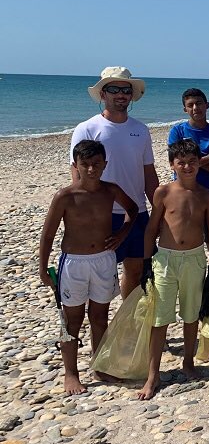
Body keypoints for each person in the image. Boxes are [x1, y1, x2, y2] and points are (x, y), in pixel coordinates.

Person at [40, 140, 139, 394]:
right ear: (76, 166)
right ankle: (71, 374)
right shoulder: (65, 196)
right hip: (74, 263)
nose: (92, 169)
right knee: (71, 320)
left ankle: (100, 364)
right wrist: (43, 268)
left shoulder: (110, 190)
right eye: (86, 165)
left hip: (103, 260)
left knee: (99, 316)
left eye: (97, 164)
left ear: (105, 164)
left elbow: (133, 209)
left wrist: (122, 234)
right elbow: (48, 235)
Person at [139, 139, 209, 400]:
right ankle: (153, 374)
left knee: (191, 314)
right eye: (181, 162)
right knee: (160, 317)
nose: (187, 166)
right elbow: (152, 228)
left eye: (192, 161)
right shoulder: (163, 192)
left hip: (194, 259)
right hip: (165, 259)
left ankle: (188, 361)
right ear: (172, 164)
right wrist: (145, 263)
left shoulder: (207, 195)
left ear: (200, 163)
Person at [71, 67, 159, 299]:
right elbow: (76, 173)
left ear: (132, 95)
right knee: (100, 274)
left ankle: (124, 326)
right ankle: (100, 326)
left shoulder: (141, 130)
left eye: (126, 90)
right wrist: (82, 213)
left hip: (137, 211)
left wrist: (160, 210)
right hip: (102, 213)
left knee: (136, 269)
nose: (121, 94)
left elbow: (149, 173)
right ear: (103, 94)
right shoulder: (87, 128)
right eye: (114, 89)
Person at [167, 88, 209, 202]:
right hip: (184, 191)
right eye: (190, 105)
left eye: (199, 103)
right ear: (185, 109)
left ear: (207, 105)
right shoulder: (177, 131)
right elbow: (176, 165)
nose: (195, 108)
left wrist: (191, 161)